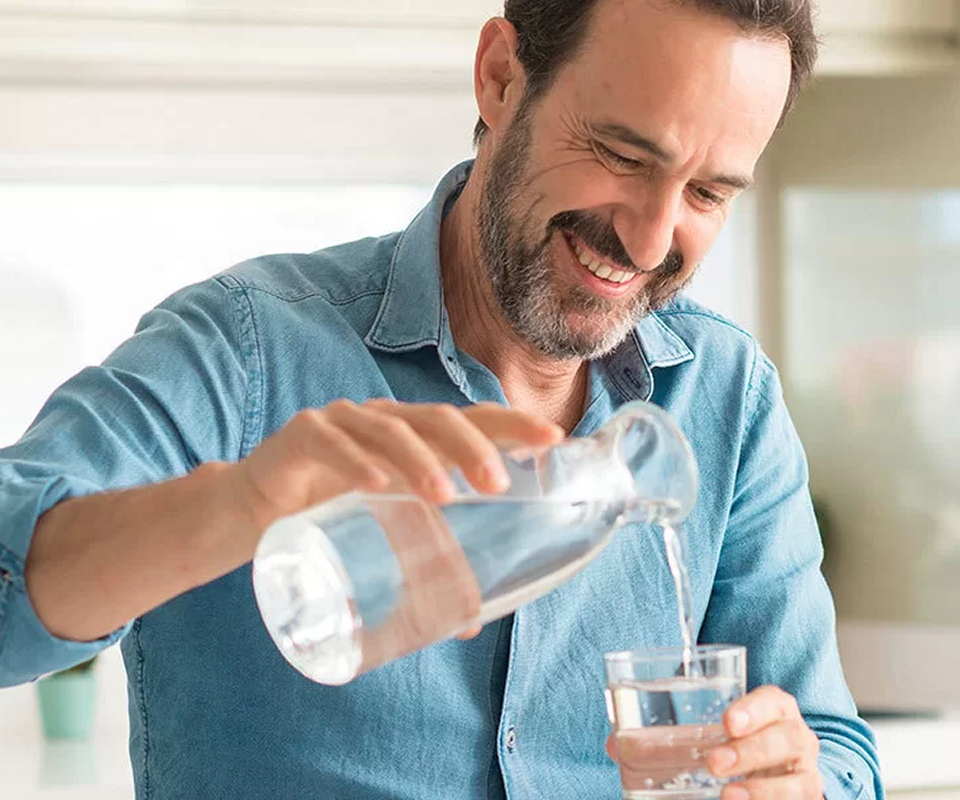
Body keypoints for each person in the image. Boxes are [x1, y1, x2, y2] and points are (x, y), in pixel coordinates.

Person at [0, 0, 883, 798]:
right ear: (500, 78)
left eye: (707, 193)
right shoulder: (247, 351)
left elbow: (834, 748)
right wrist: (236, 505)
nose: (651, 241)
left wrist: (798, 782)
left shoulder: (727, 396)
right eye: (622, 155)